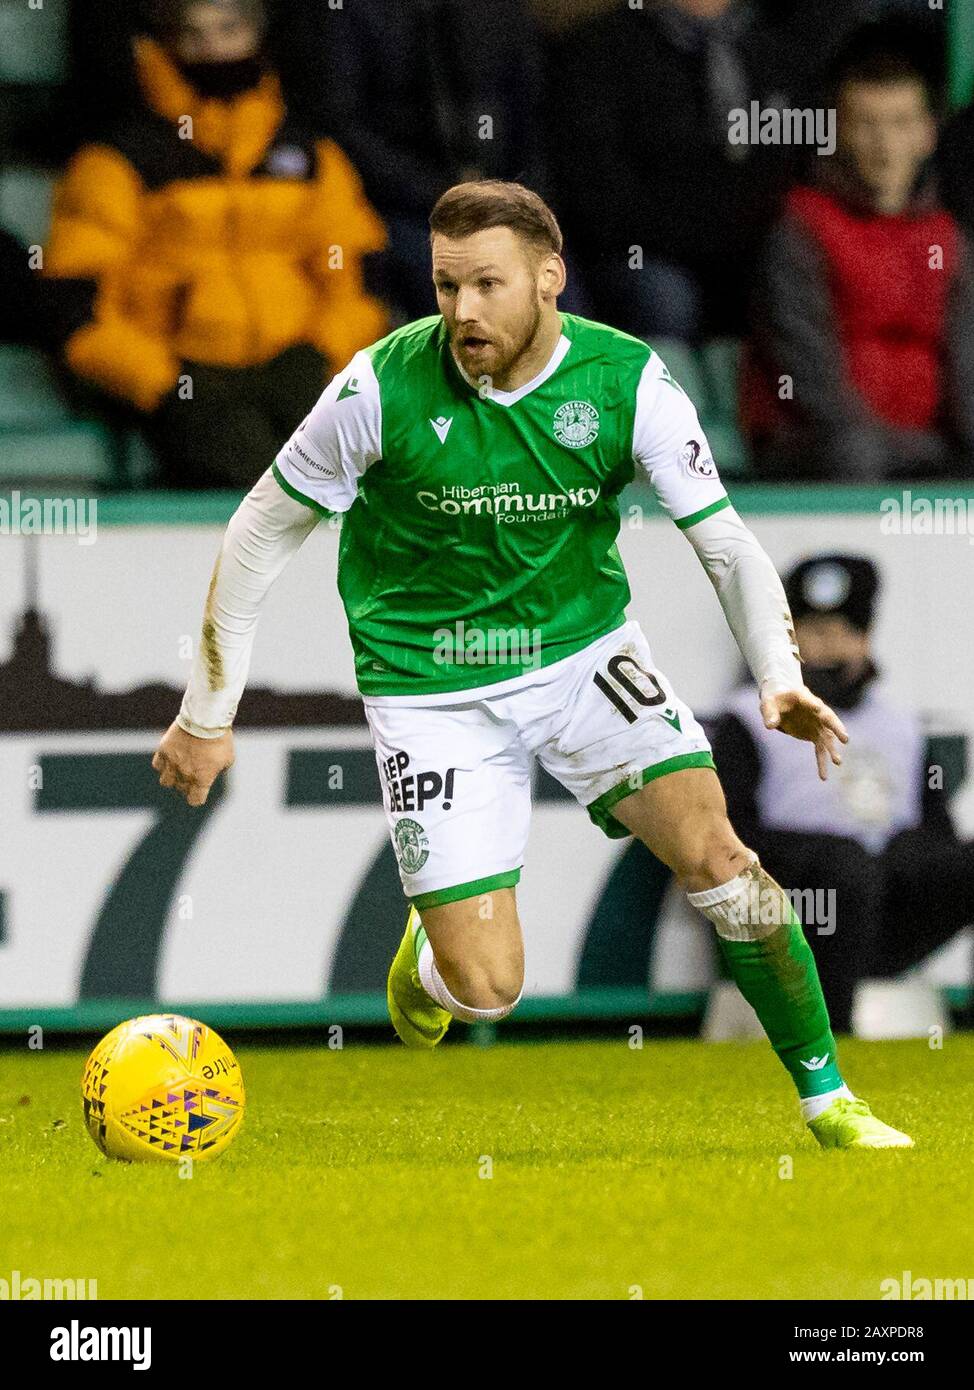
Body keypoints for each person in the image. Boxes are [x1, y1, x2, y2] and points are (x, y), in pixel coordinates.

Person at [153, 179, 912, 1150]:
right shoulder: (377, 388)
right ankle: (432, 951)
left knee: (727, 866)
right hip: (431, 690)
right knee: (487, 988)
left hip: (585, 659)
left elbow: (719, 540)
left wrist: (774, 672)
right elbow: (260, 530)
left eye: (487, 285)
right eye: (443, 287)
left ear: (549, 279)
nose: (462, 312)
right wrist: (207, 713)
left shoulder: (623, 381)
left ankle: (825, 1097)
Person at [41, 0, 387, 488]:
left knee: (367, 473)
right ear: (168, 42)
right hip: (183, 373)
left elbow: (356, 274)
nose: (213, 48)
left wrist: (325, 353)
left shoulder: (310, 155)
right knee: (264, 484)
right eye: (194, 34)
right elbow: (74, 305)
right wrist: (157, 380)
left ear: (257, 36)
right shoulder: (119, 158)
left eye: (229, 29)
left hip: (297, 365)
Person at [712, 553, 974, 1032]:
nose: (829, 649)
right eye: (815, 633)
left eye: (843, 633)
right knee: (843, 867)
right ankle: (827, 1042)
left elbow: (938, 836)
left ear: (866, 639)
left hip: (887, 923)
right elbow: (727, 836)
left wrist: (899, 854)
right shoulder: (748, 721)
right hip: (790, 912)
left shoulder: (902, 728)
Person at [745, 41, 974, 479]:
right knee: (855, 450)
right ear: (839, 133)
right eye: (866, 124)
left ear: (928, 134)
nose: (885, 143)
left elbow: (966, 363)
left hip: (928, 444)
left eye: (901, 123)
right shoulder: (800, 227)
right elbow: (807, 372)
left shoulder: (949, 237)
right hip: (816, 443)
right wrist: (873, 439)